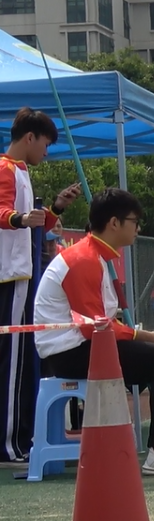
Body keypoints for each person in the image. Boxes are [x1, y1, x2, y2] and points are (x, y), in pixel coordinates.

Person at [34, 188, 154, 474]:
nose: (138, 229)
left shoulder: (96, 257)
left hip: (83, 345)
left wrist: (145, 337)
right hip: (68, 352)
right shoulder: (83, 260)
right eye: (134, 221)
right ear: (114, 223)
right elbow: (97, 328)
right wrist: (146, 336)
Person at [1, 107, 81, 465]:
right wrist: (19, 218)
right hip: (12, 275)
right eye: (46, 144)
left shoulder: (19, 171)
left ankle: (15, 440)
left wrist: (55, 208)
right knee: (13, 363)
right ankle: (9, 444)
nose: (47, 152)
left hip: (18, 273)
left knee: (17, 362)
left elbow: (29, 222)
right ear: (30, 138)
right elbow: (6, 213)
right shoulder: (6, 169)